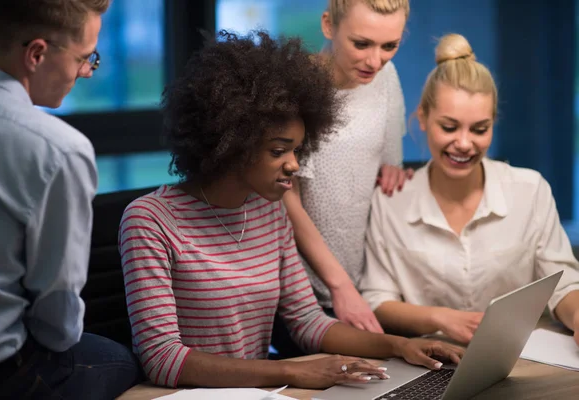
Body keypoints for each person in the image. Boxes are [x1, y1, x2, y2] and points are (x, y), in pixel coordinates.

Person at [118, 30, 464, 390]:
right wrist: (291, 372)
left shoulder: (269, 213)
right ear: (233, 144)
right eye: (278, 151)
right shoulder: (150, 220)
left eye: (297, 150)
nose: (294, 165)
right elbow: (162, 358)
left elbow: (307, 321)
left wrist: (400, 345)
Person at [360, 33, 579, 348]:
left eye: (480, 129)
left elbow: (563, 285)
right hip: (428, 362)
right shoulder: (390, 201)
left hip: (518, 360)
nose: (464, 143)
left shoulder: (529, 191)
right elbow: (377, 300)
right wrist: (441, 318)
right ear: (422, 118)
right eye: (449, 127)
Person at [0, 1, 142, 398]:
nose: (86, 71)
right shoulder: (56, 149)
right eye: (84, 58)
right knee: (123, 361)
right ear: (36, 54)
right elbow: (57, 321)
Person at [278, 0, 413, 349]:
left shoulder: (387, 77)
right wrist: (339, 285)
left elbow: (389, 162)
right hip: (303, 290)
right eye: (361, 43)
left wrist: (393, 173)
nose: (375, 61)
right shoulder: (296, 90)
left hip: (365, 282)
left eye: (390, 46)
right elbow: (282, 197)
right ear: (328, 25)